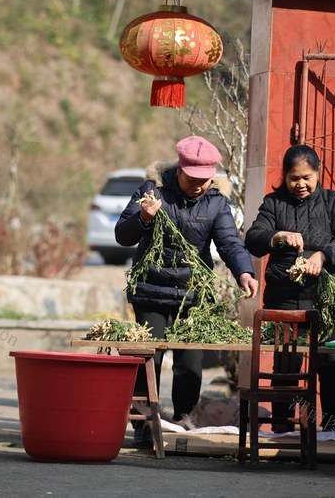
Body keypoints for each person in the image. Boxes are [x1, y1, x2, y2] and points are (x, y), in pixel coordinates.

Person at [115, 136, 258, 446]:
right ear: (179, 169)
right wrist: (144, 218)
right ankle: (142, 421)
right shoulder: (152, 191)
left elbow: (229, 243)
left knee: (190, 362)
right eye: (192, 179)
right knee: (149, 358)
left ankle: (183, 419)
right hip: (151, 291)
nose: (198, 186)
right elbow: (122, 235)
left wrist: (244, 272)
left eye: (204, 180)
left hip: (193, 295)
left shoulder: (216, 201)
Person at [244, 144, 335, 431]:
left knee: (331, 365)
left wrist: (324, 255)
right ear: (284, 176)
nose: (300, 184)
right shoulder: (274, 203)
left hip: (327, 301)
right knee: (286, 364)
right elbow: (253, 238)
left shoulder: (334, 202)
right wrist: (277, 236)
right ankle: (282, 427)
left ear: (317, 174)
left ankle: (332, 428)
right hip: (285, 300)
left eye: (307, 177)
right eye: (294, 178)